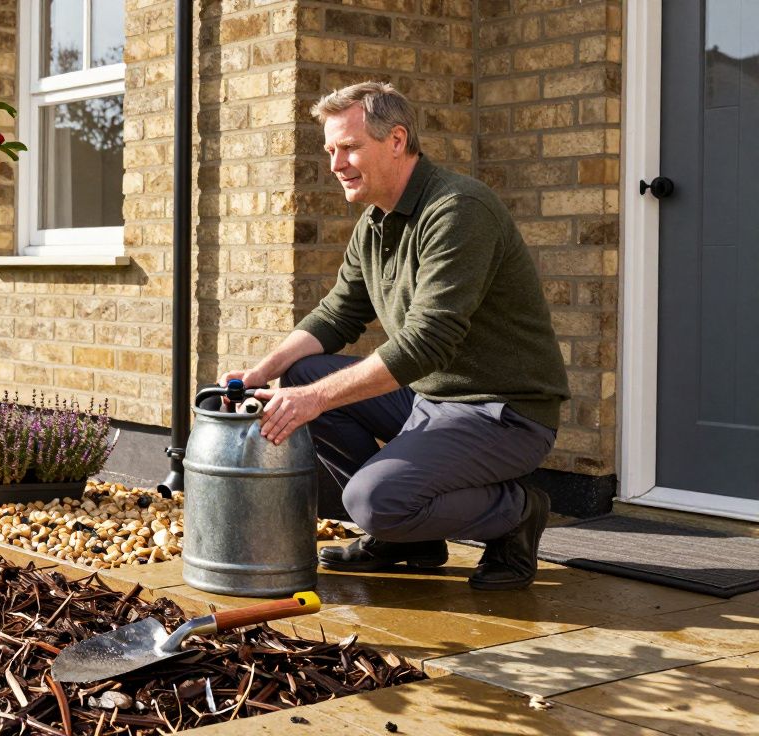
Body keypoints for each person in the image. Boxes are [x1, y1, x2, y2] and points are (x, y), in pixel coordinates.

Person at [219, 81, 570, 591]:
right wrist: (261, 373)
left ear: (397, 140)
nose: (336, 163)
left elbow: (428, 340)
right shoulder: (375, 224)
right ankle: (411, 537)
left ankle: (516, 514)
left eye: (350, 147)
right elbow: (338, 314)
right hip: (431, 398)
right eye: (331, 150)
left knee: (370, 500)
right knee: (297, 373)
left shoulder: (458, 209)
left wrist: (311, 400)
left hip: (503, 412)